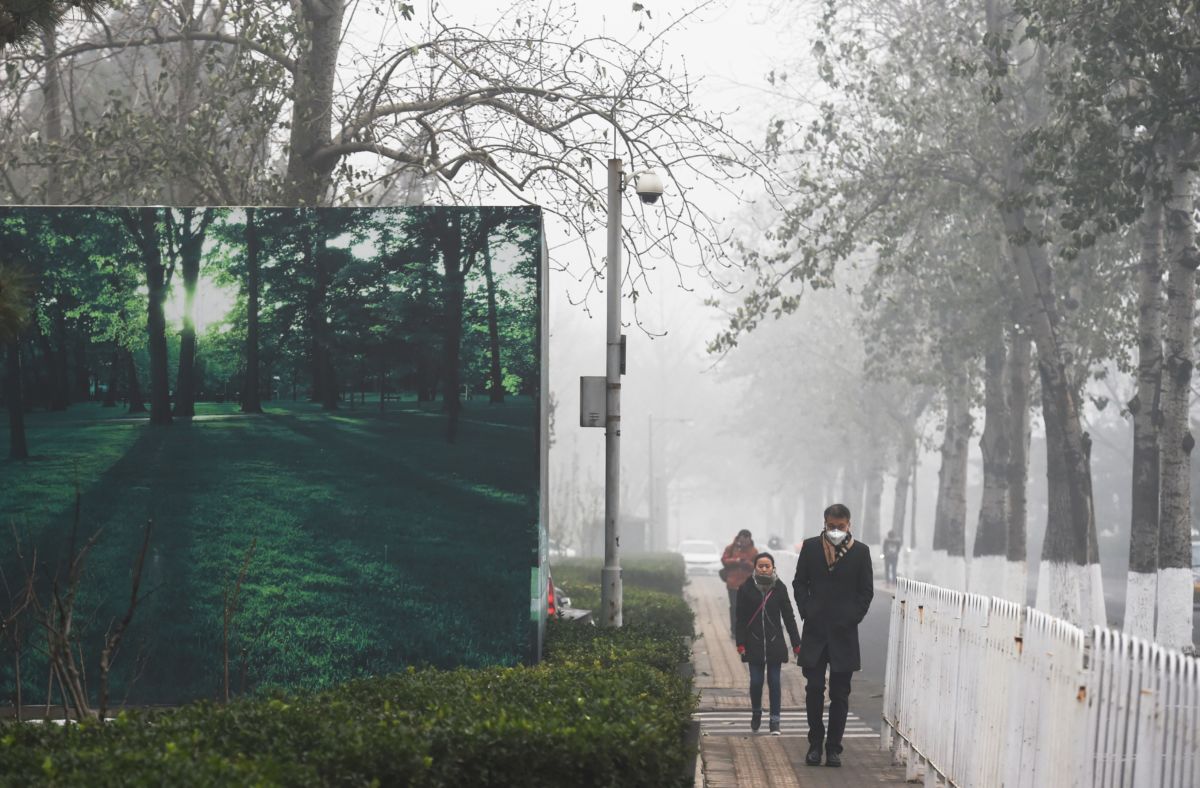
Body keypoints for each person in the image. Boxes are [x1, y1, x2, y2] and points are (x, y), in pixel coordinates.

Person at [792, 503, 874, 768]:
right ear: (824, 523)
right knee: (814, 689)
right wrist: (806, 610)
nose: (836, 531)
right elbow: (799, 582)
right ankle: (815, 744)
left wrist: (853, 616)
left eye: (840, 526)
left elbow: (866, 591)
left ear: (849, 525)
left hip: (844, 634)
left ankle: (834, 748)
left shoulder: (861, 552)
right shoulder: (811, 547)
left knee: (840, 694)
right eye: (831, 526)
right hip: (815, 632)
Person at [735, 552, 801, 734]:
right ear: (755, 567)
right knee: (756, 681)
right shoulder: (746, 589)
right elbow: (740, 619)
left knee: (774, 681)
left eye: (767, 566)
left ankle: (775, 721)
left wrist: (796, 643)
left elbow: (789, 617)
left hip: (774, 644)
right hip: (753, 643)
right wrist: (740, 643)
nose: (764, 568)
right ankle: (756, 711)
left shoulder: (779, 588)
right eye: (760, 566)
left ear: (773, 568)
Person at [721, 529, 757, 638]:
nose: (744, 541)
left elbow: (757, 566)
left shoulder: (754, 551)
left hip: (747, 584)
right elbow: (724, 560)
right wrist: (736, 561)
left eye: (747, 539)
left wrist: (747, 563)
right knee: (735, 607)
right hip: (732, 583)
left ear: (750, 539)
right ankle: (734, 631)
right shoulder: (731, 548)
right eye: (742, 538)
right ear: (739, 538)